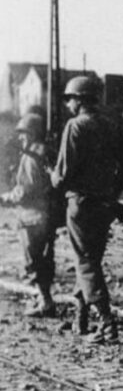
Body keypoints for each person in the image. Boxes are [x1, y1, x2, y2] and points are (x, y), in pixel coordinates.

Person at [51, 76, 123, 344]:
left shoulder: (75, 126)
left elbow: (64, 175)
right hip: (105, 205)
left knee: (85, 261)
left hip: (81, 204)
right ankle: (81, 318)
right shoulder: (111, 125)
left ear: (79, 100)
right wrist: (112, 189)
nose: (68, 104)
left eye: (70, 99)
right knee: (91, 260)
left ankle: (107, 322)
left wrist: (52, 177)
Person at [0, 112, 57, 317]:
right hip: (46, 216)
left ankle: (45, 302)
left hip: (31, 217)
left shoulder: (31, 156)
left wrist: (5, 198)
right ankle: (45, 299)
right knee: (45, 259)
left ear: (32, 133)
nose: (20, 138)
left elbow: (27, 189)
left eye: (23, 134)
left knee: (33, 261)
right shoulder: (46, 151)